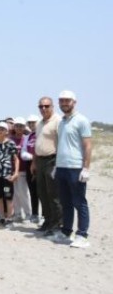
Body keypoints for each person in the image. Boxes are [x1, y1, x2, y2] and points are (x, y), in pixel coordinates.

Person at [54, 90, 92, 248]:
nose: (64, 103)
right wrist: (56, 165)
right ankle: (66, 232)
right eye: (61, 101)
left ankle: (82, 235)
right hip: (61, 167)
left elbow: (88, 145)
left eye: (67, 101)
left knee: (79, 202)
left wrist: (86, 168)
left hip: (75, 168)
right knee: (65, 202)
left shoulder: (82, 120)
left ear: (74, 102)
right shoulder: (62, 121)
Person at [31, 97, 62, 236]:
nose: (43, 109)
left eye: (46, 106)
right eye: (41, 106)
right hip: (40, 161)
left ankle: (56, 225)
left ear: (52, 106)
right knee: (42, 193)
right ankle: (47, 221)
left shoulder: (58, 121)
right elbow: (38, 143)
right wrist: (34, 162)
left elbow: (62, 143)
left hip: (53, 160)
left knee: (54, 194)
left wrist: (59, 163)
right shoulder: (39, 123)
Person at [0, 122, 19, 229]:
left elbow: (16, 159)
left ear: (7, 131)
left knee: (8, 197)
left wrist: (15, 173)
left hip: (7, 175)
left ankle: (9, 219)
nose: (0, 131)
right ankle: (2, 218)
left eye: (2, 129)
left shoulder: (11, 143)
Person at [10, 117, 32, 222]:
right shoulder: (10, 139)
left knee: (23, 193)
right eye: (17, 125)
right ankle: (18, 214)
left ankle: (28, 214)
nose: (19, 128)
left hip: (23, 169)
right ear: (14, 127)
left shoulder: (26, 138)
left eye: (21, 126)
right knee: (15, 193)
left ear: (24, 127)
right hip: (12, 170)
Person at [21, 115, 40, 224]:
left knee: (42, 192)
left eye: (34, 122)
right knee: (33, 191)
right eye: (30, 123)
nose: (32, 125)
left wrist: (35, 157)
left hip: (41, 165)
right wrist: (33, 157)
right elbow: (23, 153)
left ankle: (46, 215)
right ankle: (35, 214)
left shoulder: (41, 134)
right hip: (29, 165)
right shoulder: (28, 136)